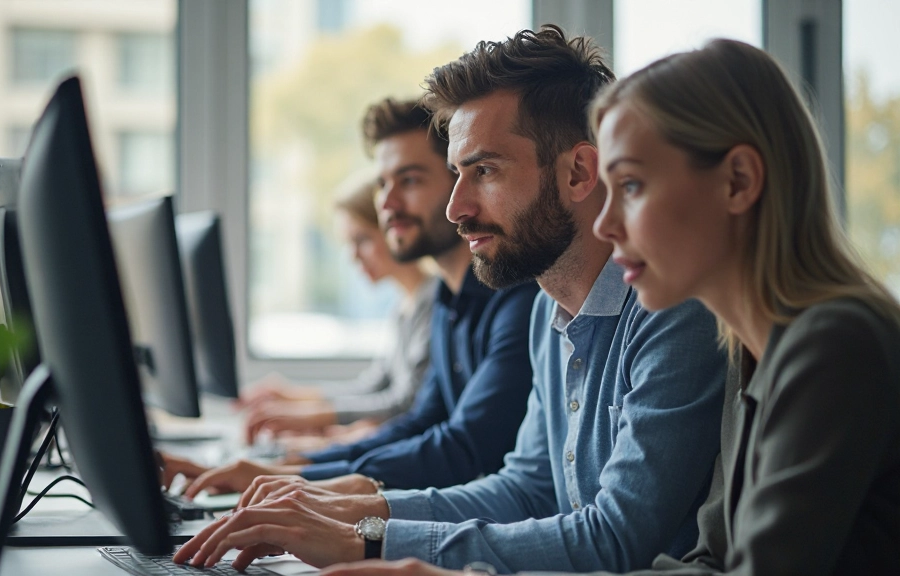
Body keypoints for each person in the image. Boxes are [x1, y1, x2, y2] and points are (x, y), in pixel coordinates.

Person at [325, 38, 900, 576]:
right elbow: (705, 564)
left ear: (738, 181)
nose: (603, 221)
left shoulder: (829, 343)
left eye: (629, 186)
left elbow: (647, 546)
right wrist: (368, 522)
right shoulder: (752, 345)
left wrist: (382, 540)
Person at [170, 26, 729, 574]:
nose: (455, 208)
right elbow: (527, 489)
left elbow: (614, 540)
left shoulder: (673, 313)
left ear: (579, 172)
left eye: (484, 171)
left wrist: (367, 542)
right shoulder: (545, 310)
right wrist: (350, 511)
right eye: (458, 173)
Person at [162, 97, 539, 496]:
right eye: (382, 184)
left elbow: (464, 447)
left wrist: (295, 476)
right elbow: (420, 423)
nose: (388, 205)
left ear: (458, 186)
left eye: (409, 180)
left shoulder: (517, 301)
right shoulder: (450, 300)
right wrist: (293, 468)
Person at [238, 175, 438, 453]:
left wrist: (309, 416)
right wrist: (294, 397)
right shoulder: (405, 304)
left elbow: (404, 402)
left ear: (393, 227)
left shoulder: (434, 302)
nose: (353, 256)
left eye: (362, 239)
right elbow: (373, 385)